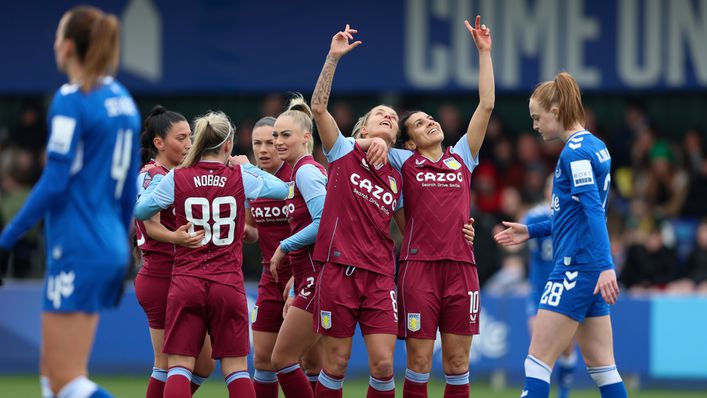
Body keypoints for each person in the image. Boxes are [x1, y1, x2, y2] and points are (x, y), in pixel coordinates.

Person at [0, 6, 141, 398]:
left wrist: (8, 237)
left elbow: (54, 181)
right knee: (52, 375)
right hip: (106, 242)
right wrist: (125, 243)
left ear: (66, 46)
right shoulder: (123, 100)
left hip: (79, 245)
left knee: (66, 380)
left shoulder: (71, 99)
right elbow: (130, 187)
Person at [369, 16, 493, 398]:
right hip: (418, 270)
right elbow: (369, 138)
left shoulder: (462, 158)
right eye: (420, 124)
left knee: (457, 365)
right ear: (409, 143)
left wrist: (484, 53)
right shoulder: (403, 162)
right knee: (419, 364)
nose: (431, 123)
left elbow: (486, 105)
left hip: (461, 269)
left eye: (431, 119)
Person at [134, 110, 289, 398]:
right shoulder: (240, 174)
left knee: (179, 366)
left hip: (186, 281)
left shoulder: (176, 176)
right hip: (226, 282)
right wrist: (248, 167)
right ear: (228, 144)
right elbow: (281, 189)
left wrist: (158, 181)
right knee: (237, 369)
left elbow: (141, 211)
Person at [494, 72, 627, 398]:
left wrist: (607, 263)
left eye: (537, 118)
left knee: (537, 364)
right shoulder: (596, 146)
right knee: (604, 369)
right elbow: (576, 215)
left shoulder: (573, 153)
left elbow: (594, 210)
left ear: (556, 110)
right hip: (589, 269)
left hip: (574, 268)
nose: (535, 126)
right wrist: (532, 230)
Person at [308, 24, 405, 398]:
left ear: (396, 137)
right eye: (380, 113)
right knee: (336, 363)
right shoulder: (343, 151)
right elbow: (318, 107)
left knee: (383, 365)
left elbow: (410, 227)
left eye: (393, 118)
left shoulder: (398, 177)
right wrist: (333, 57)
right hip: (338, 270)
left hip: (380, 275)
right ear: (362, 126)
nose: (388, 116)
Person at [133, 106, 214, 398]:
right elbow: (147, 222)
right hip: (160, 275)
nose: (189, 143)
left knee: (204, 363)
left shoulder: (180, 174)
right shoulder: (150, 174)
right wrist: (176, 238)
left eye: (191, 136)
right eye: (181, 138)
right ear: (159, 143)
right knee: (166, 362)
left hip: (183, 275)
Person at [268, 97, 327, 398]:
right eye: (276, 135)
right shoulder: (297, 173)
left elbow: (324, 223)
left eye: (285, 135)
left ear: (306, 137)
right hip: (309, 276)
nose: (278, 141)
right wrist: (295, 280)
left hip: (319, 279)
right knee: (313, 362)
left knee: (281, 359)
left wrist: (283, 246)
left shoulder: (305, 171)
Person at [245, 116, 294, 398]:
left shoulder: (299, 176)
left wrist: (300, 278)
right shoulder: (253, 183)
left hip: (302, 278)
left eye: (270, 142)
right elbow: (253, 229)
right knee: (262, 360)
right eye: (257, 143)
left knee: (308, 362)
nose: (263, 149)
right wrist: (244, 231)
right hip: (269, 278)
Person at [522, 176, 576, 398]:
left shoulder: (572, 215)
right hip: (539, 288)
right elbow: (520, 232)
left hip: (565, 287)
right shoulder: (535, 215)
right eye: (550, 187)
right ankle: (534, 390)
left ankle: (564, 391)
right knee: (538, 343)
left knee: (566, 346)